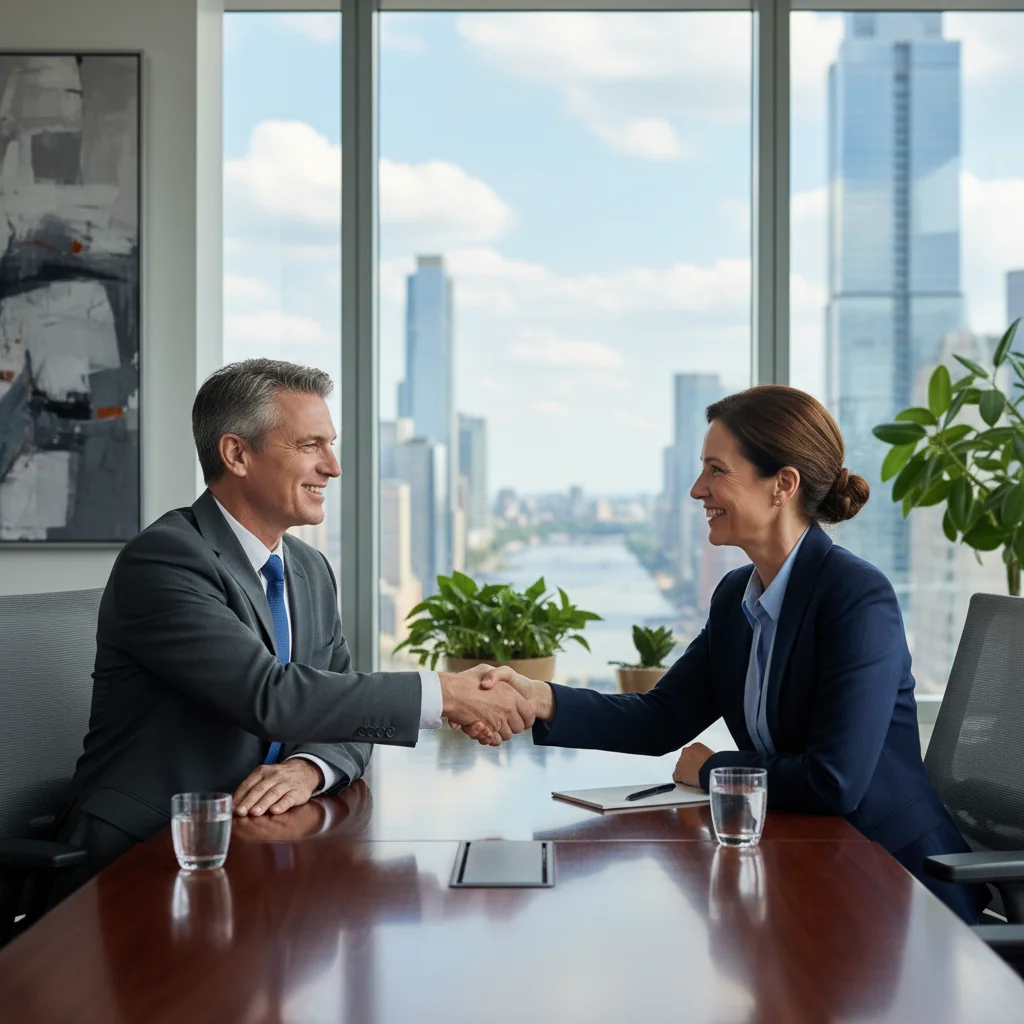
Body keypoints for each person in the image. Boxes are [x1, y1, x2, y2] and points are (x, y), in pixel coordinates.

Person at [480, 385, 988, 924]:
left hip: (893, 888)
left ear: (783, 485)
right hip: (803, 860)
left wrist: (715, 770)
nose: (699, 489)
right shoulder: (735, 598)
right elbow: (660, 719)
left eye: (717, 470)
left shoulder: (856, 597)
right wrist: (538, 699)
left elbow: (834, 781)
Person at [58, 359, 532, 880]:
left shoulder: (307, 568)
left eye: (330, 444)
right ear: (237, 453)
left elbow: (343, 708)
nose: (333, 466)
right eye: (310, 446)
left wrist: (310, 768)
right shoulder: (165, 561)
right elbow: (272, 696)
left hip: (259, 853)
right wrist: (446, 694)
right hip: (147, 860)